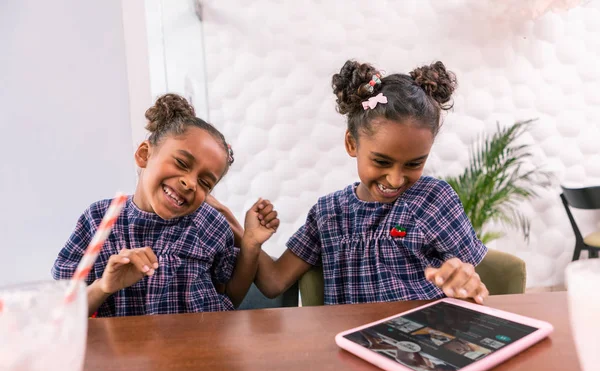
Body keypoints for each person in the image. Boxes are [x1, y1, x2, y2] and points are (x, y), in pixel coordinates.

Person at [237, 59, 488, 305]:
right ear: (351, 143)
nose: (395, 179)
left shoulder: (433, 199)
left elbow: (470, 274)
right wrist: (246, 236)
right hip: (355, 342)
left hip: (425, 336)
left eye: (413, 164)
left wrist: (466, 280)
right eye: (381, 162)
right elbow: (273, 282)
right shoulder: (329, 214)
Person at [52, 94, 280, 317]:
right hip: (122, 354)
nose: (190, 183)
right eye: (181, 163)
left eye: (204, 182)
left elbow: (229, 297)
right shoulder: (98, 219)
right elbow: (64, 312)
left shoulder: (210, 223)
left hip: (202, 349)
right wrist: (104, 286)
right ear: (144, 155)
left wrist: (250, 243)